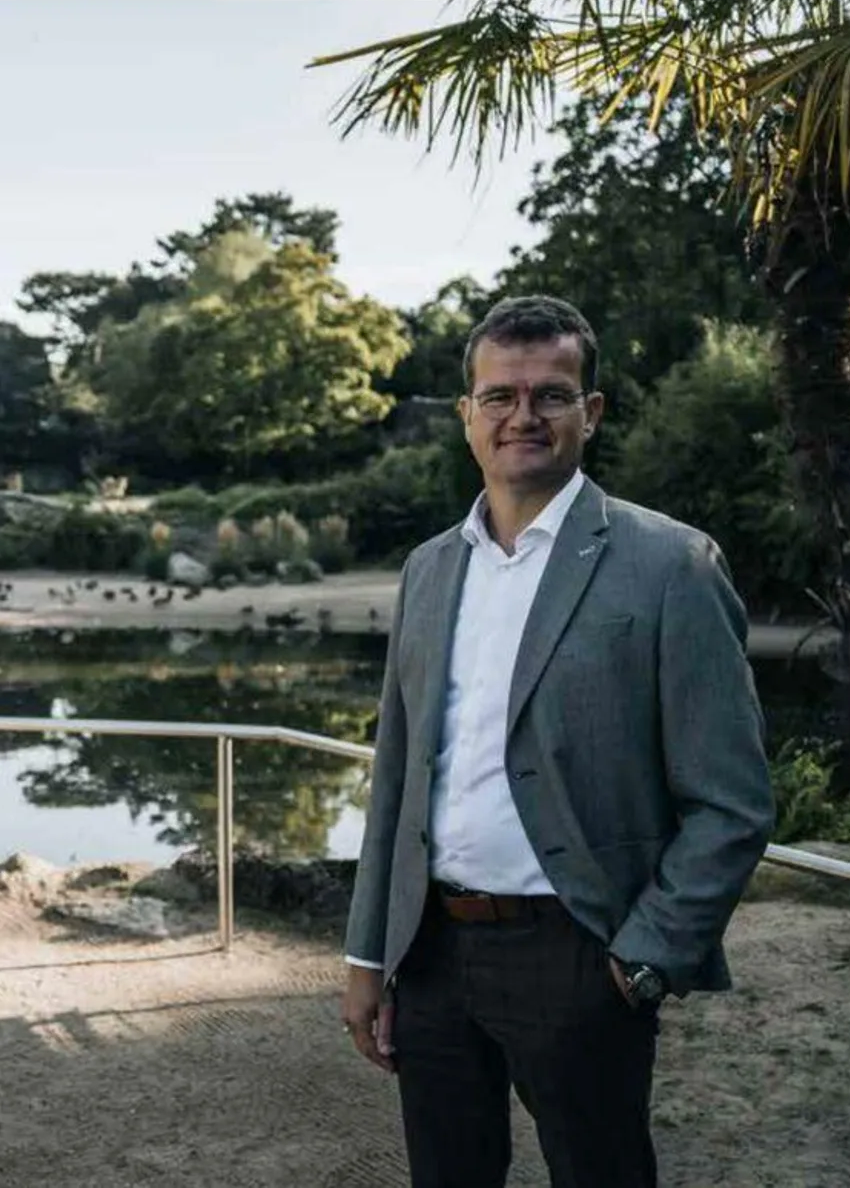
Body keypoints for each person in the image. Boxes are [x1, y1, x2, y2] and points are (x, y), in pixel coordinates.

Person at [340, 293, 774, 1188]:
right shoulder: (429, 567)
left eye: (551, 394)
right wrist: (368, 955)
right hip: (430, 953)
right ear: (467, 414)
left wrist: (642, 959)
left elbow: (732, 803)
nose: (523, 415)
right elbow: (395, 781)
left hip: (579, 956)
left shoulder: (671, 566)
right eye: (499, 395)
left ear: (592, 413)